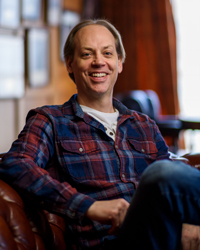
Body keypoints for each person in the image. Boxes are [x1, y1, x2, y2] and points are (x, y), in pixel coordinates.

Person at [0, 19, 200, 250]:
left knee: (167, 175)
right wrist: (89, 206)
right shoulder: (51, 120)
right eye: (87, 54)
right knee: (163, 174)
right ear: (70, 64)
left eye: (107, 53)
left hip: (161, 236)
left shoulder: (143, 124)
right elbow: (15, 164)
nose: (99, 62)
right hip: (110, 242)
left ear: (119, 62)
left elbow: (172, 195)